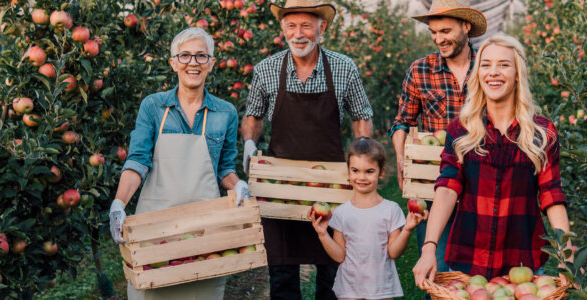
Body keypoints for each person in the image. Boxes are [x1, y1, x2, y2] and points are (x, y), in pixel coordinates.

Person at [412, 34, 573, 287]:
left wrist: (567, 253)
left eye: (504, 64)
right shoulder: (461, 130)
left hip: (522, 261)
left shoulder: (542, 132)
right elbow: (447, 188)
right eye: (486, 65)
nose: (493, 72)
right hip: (468, 257)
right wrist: (429, 248)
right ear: (478, 74)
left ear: (518, 73)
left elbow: (551, 194)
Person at [241, 0, 373, 299]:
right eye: (291, 26)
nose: (298, 33)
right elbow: (253, 114)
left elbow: (362, 115)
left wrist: (362, 156)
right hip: (281, 186)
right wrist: (249, 143)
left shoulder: (342, 67)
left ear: (321, 28)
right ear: (282, 29)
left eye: (306, 25)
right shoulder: (267, 69)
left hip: (330, 185)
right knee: (282, 272)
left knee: (333, 270)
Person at [107, 27, 249, 299]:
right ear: (173, 62)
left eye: (200, 56)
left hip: (205, 233)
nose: (192, 63)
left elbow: (224, 169)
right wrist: (119, 203)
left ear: (211, 62)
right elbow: (138, 161)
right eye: (184, 56)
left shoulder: (225, 113)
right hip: (156, 229)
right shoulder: (153, 107)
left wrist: (238, 184)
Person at [389, 0, 488, 276]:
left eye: (445, 31)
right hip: (434, 181)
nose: (438, 39)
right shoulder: (420, 70)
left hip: (482, 181)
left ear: (466, 26)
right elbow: (402, 122)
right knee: (436, 265)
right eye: (434, 32)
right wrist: (401, 157)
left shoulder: (488, 68)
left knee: (479, 270)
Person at [308, 137, 427, 300]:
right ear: (348, 172)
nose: (361, 177)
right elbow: (339, 256)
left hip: (382, 290)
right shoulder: (341, 212)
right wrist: (323, 234)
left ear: (381, 172)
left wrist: (407, 229)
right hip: (349, 290)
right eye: (355, 170)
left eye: (369, 171)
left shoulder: (390, 210)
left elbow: (394, 252)